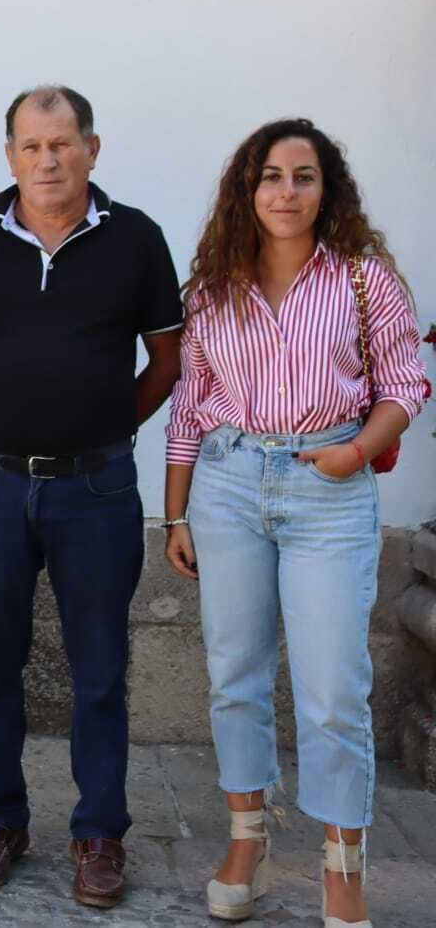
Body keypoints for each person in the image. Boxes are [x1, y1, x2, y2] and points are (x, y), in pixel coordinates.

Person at [0, 86, 183, 909]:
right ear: (10, 156)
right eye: (31, 146)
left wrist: (110, 425)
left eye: (63, 144)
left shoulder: (136, 240)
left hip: (96, 488)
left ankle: (99, 831)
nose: (48, 160)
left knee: (99, 667)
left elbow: (168, 362)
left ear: (92, 150)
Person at [164, 119, 427, 927]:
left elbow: (405, 385)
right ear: (248, 190)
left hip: (328, 488)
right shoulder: (213, 285)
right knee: (235, 674)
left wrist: (356, 454)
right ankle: (248, 838)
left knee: (333, 689)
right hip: (229, 485)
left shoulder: (362, 278)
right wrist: (174, 511)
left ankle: (342, 864)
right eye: (270, 176)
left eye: (303, 177)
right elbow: (190, 403)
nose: (286, 192)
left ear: (327, 189)